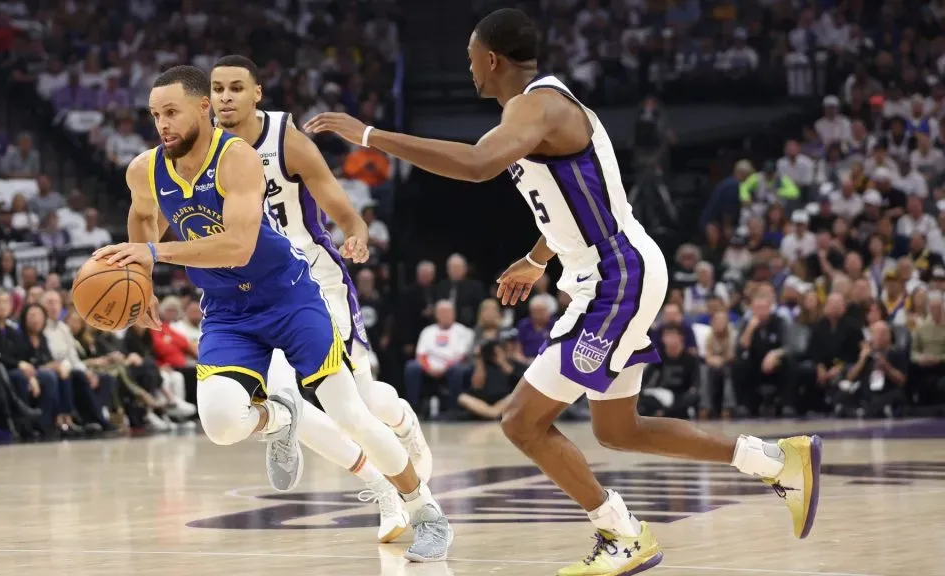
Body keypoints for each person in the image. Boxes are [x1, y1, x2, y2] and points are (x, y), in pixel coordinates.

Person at [304, 9, 820, 575]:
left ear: (491, 59)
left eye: (471, 57)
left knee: (522, 420)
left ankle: (621, 534)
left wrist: (371, 136)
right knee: (617, 429)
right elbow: (576, 202)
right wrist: (535, 258)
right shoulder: (535, 109)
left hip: (617, 277)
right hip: (608, 274)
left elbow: (477, 165)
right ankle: (774, 461)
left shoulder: (538, 105)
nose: (468, 67)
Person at [92, 65, 451, 562]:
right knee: (219, 422)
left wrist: (156, 256)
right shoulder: (144, 169)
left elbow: (238, 245)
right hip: (227, 310)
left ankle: (424, 507)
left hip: (289, 294)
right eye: (155, 115)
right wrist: (143, 276)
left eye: (171, 112)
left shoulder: (239, 158)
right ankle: (279, 419)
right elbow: (143, 216)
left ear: (201, 110)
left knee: (351, 411)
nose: (163, 124)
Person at [209, 56, 432, 542]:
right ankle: (380, 486)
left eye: (235, 88)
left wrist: (356, 232)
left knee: (361, 404)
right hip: (259, 295)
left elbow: (338, 203)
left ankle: (402, 423)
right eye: (217, 89)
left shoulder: (283, 137)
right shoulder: (203, 148)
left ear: (256, 93)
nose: (225, 97)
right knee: (287, 403)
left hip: (315, 281)